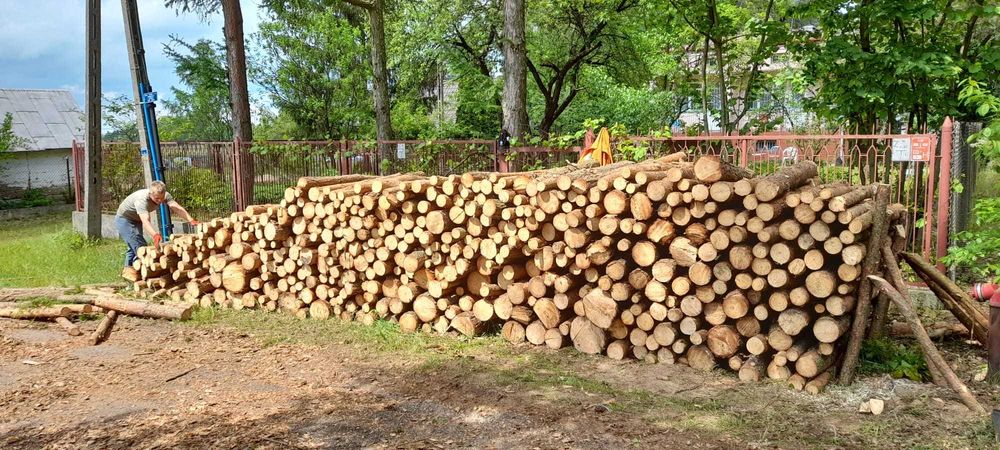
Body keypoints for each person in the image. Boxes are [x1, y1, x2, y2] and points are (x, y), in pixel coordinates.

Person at [115, 181, 197, 268]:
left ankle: (128, 272)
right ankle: (141, 270)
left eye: (162, 198)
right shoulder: (141, 199)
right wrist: (155, 235)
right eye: (157, 198)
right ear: (150, 193)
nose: (160, 201)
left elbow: (176, 208)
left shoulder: (164, 195)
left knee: (133, 245)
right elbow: (145, 220)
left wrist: (191, 219)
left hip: (137, 218)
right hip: (124, 219)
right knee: (139, 245)